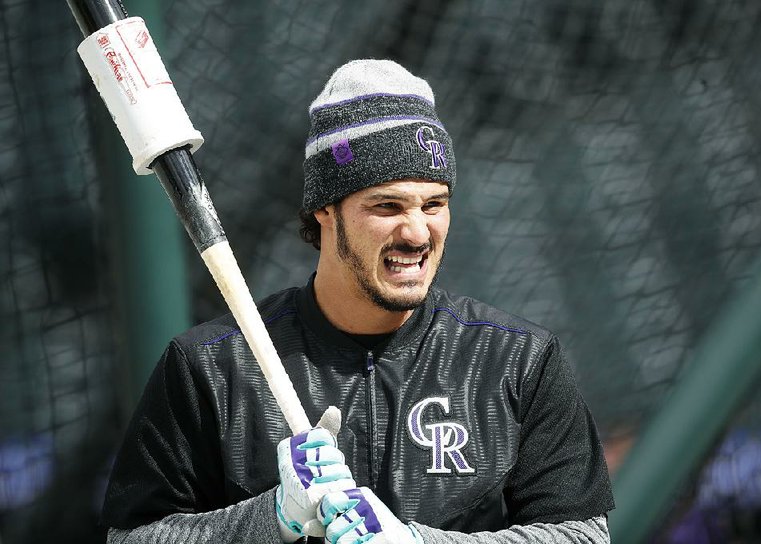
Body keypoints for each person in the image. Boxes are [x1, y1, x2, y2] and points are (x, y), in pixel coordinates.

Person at [100, 59, 615, 543]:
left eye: (435, 204)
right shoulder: (211, 366)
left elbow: (583, 535)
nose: (417, 232)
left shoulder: (518, 360)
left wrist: (416, 541)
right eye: (387, 206)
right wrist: (274, 518)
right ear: (325, 210)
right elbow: (132, 537)